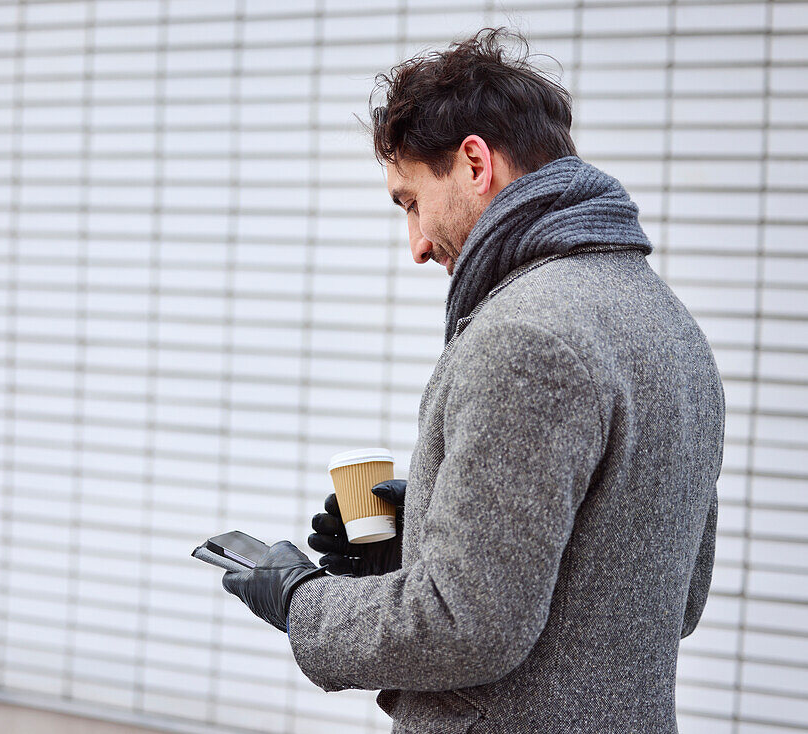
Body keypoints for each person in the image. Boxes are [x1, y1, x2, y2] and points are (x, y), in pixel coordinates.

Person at [220, 27, 725, 733]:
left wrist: (300, 598)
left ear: (475, 163)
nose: (418, 244)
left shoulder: (525, 336)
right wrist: (428, 534)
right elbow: (674, 595)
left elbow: (465, 626)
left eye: (410, 202)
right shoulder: (673, 328)